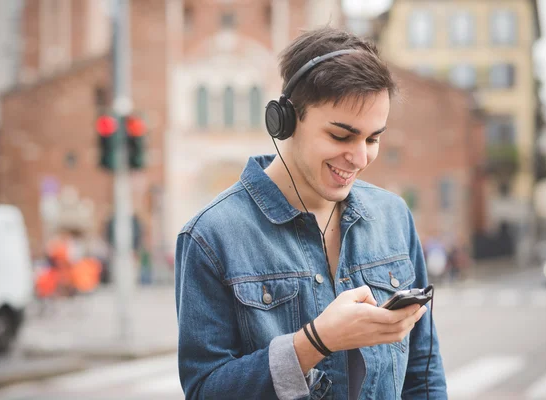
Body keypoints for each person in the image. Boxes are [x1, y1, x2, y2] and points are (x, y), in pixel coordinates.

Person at [175, 27, 447, 399]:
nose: (360, 157)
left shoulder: (393, 216)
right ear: (285, 121)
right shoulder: (210, 236)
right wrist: (315, 342)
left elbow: (423, 373)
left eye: (372, 138)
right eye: (340, 136)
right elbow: (205, 390)